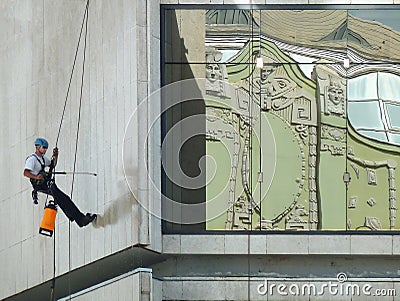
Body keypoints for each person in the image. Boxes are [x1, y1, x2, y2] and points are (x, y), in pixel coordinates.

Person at [24, 137, 97, 227]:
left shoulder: (43, 158)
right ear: (37, 147)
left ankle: (79, 218)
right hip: (40, 185)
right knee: (63, 199)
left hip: (47, 184)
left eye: (46, 148)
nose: (45, 150)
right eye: (43, 147)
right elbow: (26, 172)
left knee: (64, 199)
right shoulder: (32, 159)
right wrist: (36, 177)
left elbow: (52, 164)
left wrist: (56, 155)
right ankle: (81, 219)